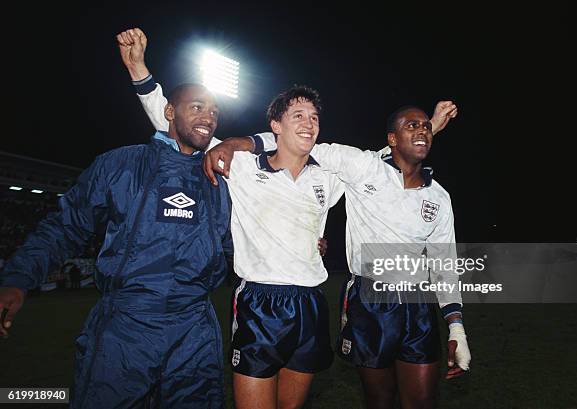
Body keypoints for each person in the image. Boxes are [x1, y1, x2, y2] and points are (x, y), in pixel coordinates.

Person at [119, 28, 344, 409]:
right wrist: (139, 71)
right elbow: (177, 120)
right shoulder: (238, 164)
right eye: (298, 115)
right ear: (275, 125)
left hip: (311, 301)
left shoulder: (330, 175)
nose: (309, 122)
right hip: (260, 300)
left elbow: (380, 168)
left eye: (314, 116)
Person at [207, 104, 471, 409]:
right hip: (371, 299)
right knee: (379, 400)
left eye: (425, 126)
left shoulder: (438, 196)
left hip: (418, 301)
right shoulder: (361, 166)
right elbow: (299, 143)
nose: (421, 130)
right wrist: (239, 142)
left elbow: (444, 264)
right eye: (411, 126)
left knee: (424, 402)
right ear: (392, 138)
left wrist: (456, 327)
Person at [0, 77, 232, 407]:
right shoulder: (120, 164)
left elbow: (234, 245)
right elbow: (66, 226)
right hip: (125, 329)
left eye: (214, 111)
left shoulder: (219, 181)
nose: (208, 118)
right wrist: (17, 279)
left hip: (195, 332)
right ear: (169, 111)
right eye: (197, 107)